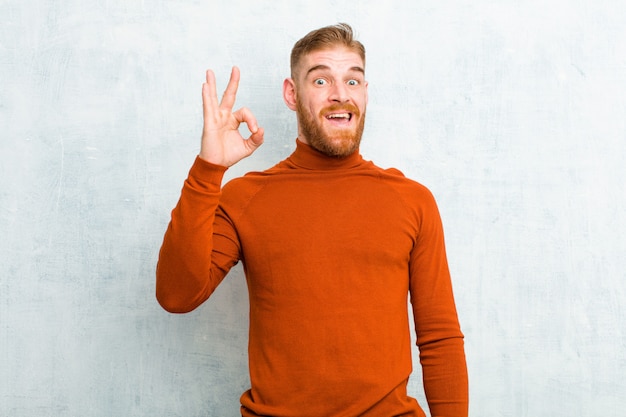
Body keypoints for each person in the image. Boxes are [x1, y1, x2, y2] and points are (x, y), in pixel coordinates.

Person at [156, 23, 468, 417]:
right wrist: (208, 170)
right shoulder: (245, 197)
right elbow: (176, 295)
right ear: (292, 94)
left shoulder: (412, 200)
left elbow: (440, 338)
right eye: (321, 80)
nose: (340, 94)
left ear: (366, 94)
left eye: (353, 81)